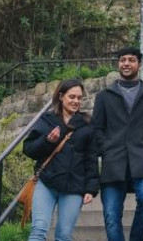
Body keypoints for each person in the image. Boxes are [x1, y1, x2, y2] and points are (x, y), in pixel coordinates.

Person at [91, 46, 143, 241]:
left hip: (142, 161)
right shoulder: (104, 96)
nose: (126, 63)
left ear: (139, 64)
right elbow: (96, 129)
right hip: (113, 162)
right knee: (111, 216)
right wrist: (106, 148)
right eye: (122, 60)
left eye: (131, 60)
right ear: (118, 63)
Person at [21, 78, 100, 241]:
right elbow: (28, 149)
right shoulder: (47, 120)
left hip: (74, 186)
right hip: (47, 182)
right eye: (72, 97)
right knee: (38, 230)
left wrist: (91, 189)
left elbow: (91, 158)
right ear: (61, 96)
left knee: (64, 235)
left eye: (79, 98)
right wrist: (47, 141)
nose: (76, 101)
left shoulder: (87, 124)